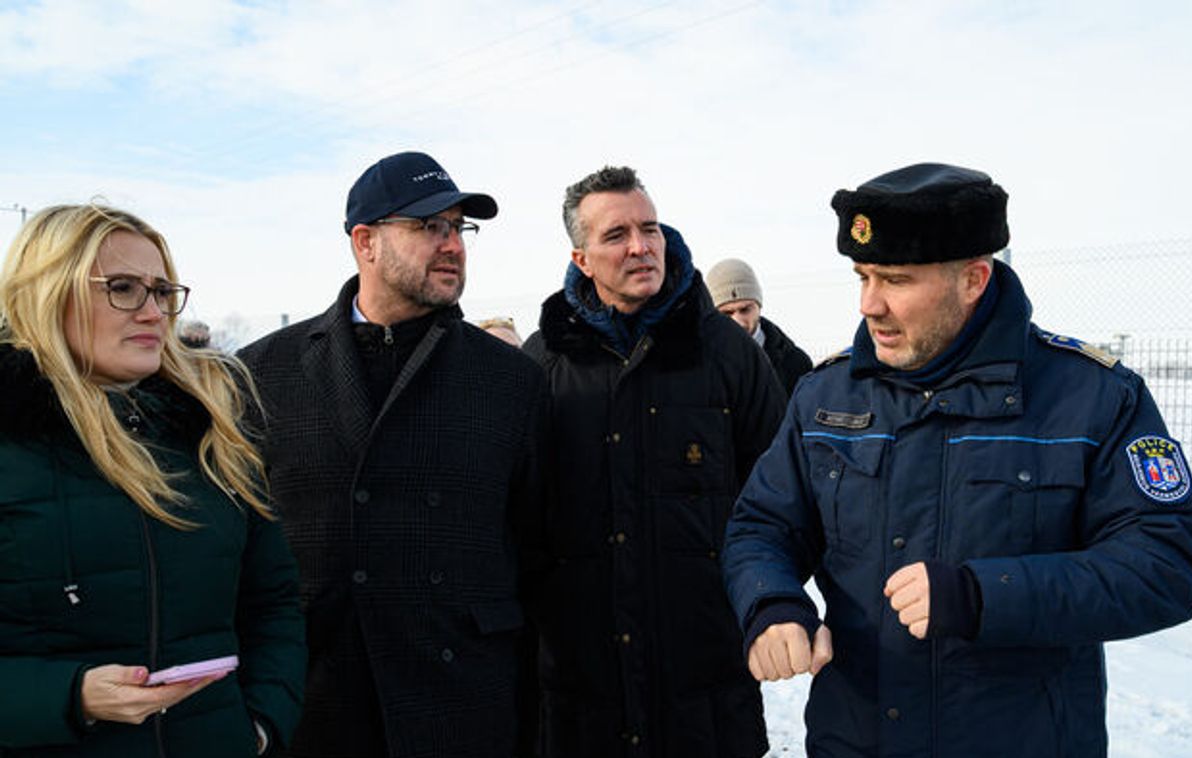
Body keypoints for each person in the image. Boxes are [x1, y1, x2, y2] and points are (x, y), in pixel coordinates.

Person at [721, 163, 1192, 757]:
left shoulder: (1093, 397)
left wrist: (986, 595)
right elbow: (762, 525)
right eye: (862, 275)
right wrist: (771, 602)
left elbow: (1168, 561)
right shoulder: (825, 395)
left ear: (974, 279)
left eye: (895, 281)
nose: (868, 304)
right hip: (855, 741)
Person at [238, 152, 546, 758]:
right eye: (428, 227)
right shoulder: (262, 372)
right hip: (313, 702)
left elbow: (538, 552)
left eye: (458, 227)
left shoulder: (512, 381)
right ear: (365, 241)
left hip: (461, 705)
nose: (452, 244)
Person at [0, 204, 305, 756]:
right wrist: (68, 696)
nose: (152, 312)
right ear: (49, 293)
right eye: (122, 288)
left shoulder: (213, 436)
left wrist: (260, 726)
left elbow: (273, 602)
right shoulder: (11, 441)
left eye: (162, 292)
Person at [521, 166, 786, 758]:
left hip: (704, 684)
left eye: (650, 228)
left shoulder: (728, 355)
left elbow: (778, 499)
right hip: (582, 694)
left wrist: (766, 601)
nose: (641, 246)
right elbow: (522, 524)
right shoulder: (545, 365)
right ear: (582, 258)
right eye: (616, 235)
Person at [706, 258, 813, 396]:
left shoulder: (795, 363)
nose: (738, 321)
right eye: (727, 313)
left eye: (745, 310)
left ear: (759, 306)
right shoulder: (693, 365)